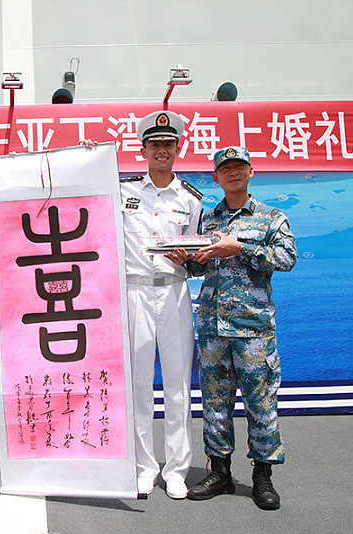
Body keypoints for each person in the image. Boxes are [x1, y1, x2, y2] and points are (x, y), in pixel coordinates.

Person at [174, 146, 297, 510]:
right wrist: (186, 260)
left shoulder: (271, 218)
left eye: (239, 167)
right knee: (215, 404)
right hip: (212, 328)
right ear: (215, 177)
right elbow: (200, 270)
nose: (232, 173)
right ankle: (220, 473)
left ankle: (263, 476)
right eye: (225, 169)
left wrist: (239, 247)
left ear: (250, 172)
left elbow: (287, 259)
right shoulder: (207, 222)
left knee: (261, 404)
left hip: (253, 331)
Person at [115, 111, 204, 498]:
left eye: (169, 144)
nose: (162, 151)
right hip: (135, 290)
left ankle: (177, 468)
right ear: (143, 149)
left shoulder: (190, 200)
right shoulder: (124, 193)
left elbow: (200, 253)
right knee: (136, 383)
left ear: (178, 148)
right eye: (155, 145)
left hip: (174, 292)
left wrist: (194, 259)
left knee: (177, 383)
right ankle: (143, 466)